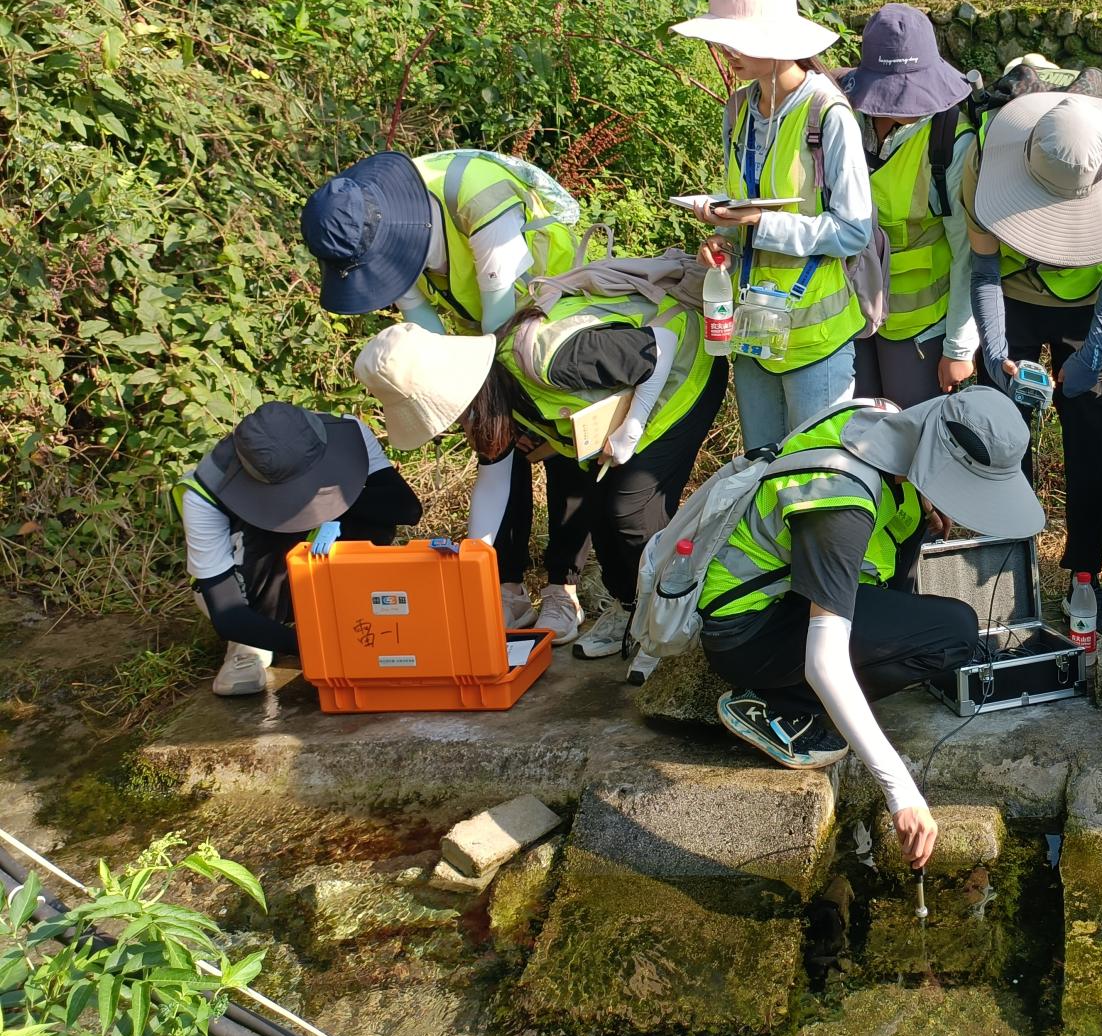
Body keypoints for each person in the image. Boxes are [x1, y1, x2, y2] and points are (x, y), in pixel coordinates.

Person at [700, 389, 1046, 871]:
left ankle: (818, 692)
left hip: (783, 598)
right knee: (954, 632)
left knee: (925, 570)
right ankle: (778, 706)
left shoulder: (882, 422)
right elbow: (824, 662)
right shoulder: (841, 501)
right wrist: (902, 792)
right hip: (747, 631)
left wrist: (924, 501)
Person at [301, 147, 589, 627]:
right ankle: (503, 585)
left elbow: (501, 321)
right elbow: (425, 330)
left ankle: (563, 588)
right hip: (492, 327)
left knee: (564, 449)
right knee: (498, 444)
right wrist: (464, 401)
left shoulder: (477, 196)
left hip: (557, 323)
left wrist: (499, 402)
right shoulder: (371, 232)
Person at [351, 282, 726, 647]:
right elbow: (493, 484)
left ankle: (674, 628)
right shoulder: (489, 400)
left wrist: (632, 428)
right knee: (598, 511)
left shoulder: (548, 359)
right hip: (631, 393)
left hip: (683, 371)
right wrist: (472, 565)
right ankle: (632, 609)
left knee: (630, 512)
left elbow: (660, 347)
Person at [965, 87, 1102, 605]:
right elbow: (984, 269)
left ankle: (1084, 577)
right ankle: (1010, 570)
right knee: (1005, 437)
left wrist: (1094, 349)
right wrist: (995, 352)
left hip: (1090, 306)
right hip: (1013, 299)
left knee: (1089, 442)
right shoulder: (986, 160)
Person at [671, 0, 873, 450]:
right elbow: (744, 202)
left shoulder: (828, 113)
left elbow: (853, 230)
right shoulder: (738, 108)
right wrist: (722, 238)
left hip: (815, 342)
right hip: (751, 333)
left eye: (739, 39)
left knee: (815, 477)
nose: (728, 51)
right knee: (759, 470)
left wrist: (763, 224)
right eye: (724, 38)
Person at [175, 402, 422, 697]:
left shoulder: (350, 432)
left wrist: (328, 499)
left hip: (324, 570)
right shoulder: (204, 493)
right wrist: (314, 646)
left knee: (371, 519)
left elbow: (405, 508)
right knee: (264, 537)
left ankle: (344, 610)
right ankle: (251, 644)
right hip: (251, 588)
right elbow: (228, 613)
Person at [841, 4, 981, 407]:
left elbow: (968, 253)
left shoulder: (950, 144)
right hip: (849, 316)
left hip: (921, 331)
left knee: (913, 436)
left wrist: (959, 347)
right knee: (856, 432)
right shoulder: (845, 121)